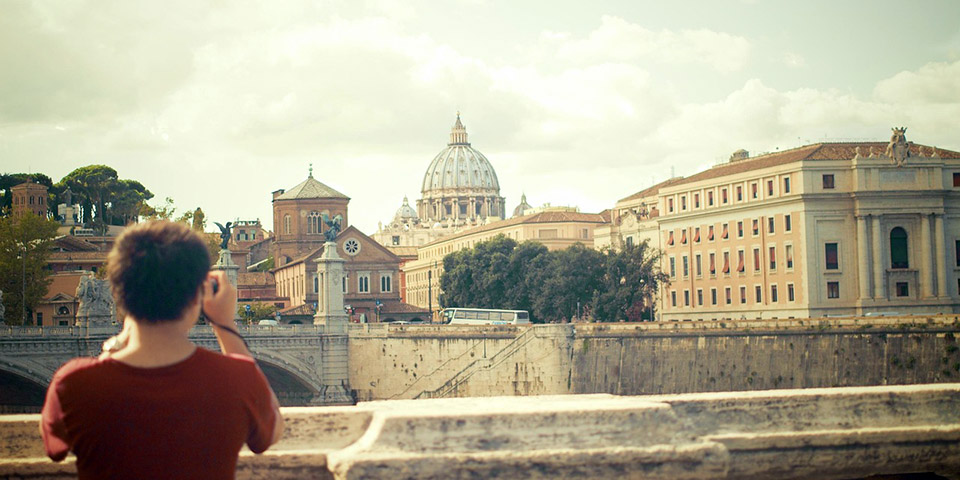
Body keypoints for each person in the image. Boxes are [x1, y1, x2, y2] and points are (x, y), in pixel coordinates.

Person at [40, 221, 284, 479]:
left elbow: (54, 448)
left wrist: (115, 346)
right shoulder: (237, 378)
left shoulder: (73, 382)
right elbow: (271, 432)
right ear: (198, 296)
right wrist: (224, 325)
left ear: (117, 293)